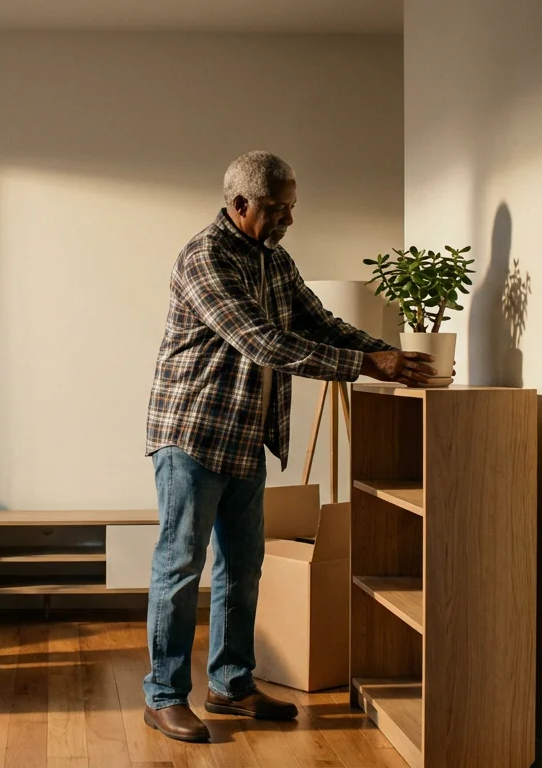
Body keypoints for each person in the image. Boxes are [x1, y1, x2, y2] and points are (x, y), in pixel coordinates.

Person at [141, 151, 436, 742]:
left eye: (292, 208)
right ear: (240, 204)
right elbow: (264, 342)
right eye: (278, 209)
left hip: (246, 437)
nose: (288, 220)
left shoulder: (275, 260)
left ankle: (230, 685)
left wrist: (388, 354)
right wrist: (364, 363)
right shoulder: (205, 258)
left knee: (243, 567)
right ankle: (164, 694)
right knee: (180, 565)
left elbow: (318, 322)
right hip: (192, 435)